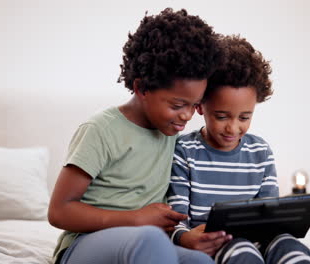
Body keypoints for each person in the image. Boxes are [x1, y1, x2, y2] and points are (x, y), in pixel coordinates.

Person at [48, 8, 225, 264]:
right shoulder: (102, 129)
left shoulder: (174, 135)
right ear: (141, 87)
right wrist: (135, 219)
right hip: (84, 245)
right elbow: (59, 211)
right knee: (149, 239)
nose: (187, 116)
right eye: (177, 105)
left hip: (148, 246)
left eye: (194, 105)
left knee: (201, 262)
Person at [167, 35, 310, 264]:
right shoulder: (185, 151)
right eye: (221, 116)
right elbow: (175, 217)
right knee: (241, 250)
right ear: (200, 105)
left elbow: (269, 211)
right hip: (217, 241)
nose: (233, 127)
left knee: (290, 246)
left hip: (262, 237)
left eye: (244, 117)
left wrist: (296, 215)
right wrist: (183, 237)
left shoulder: (260, 151)